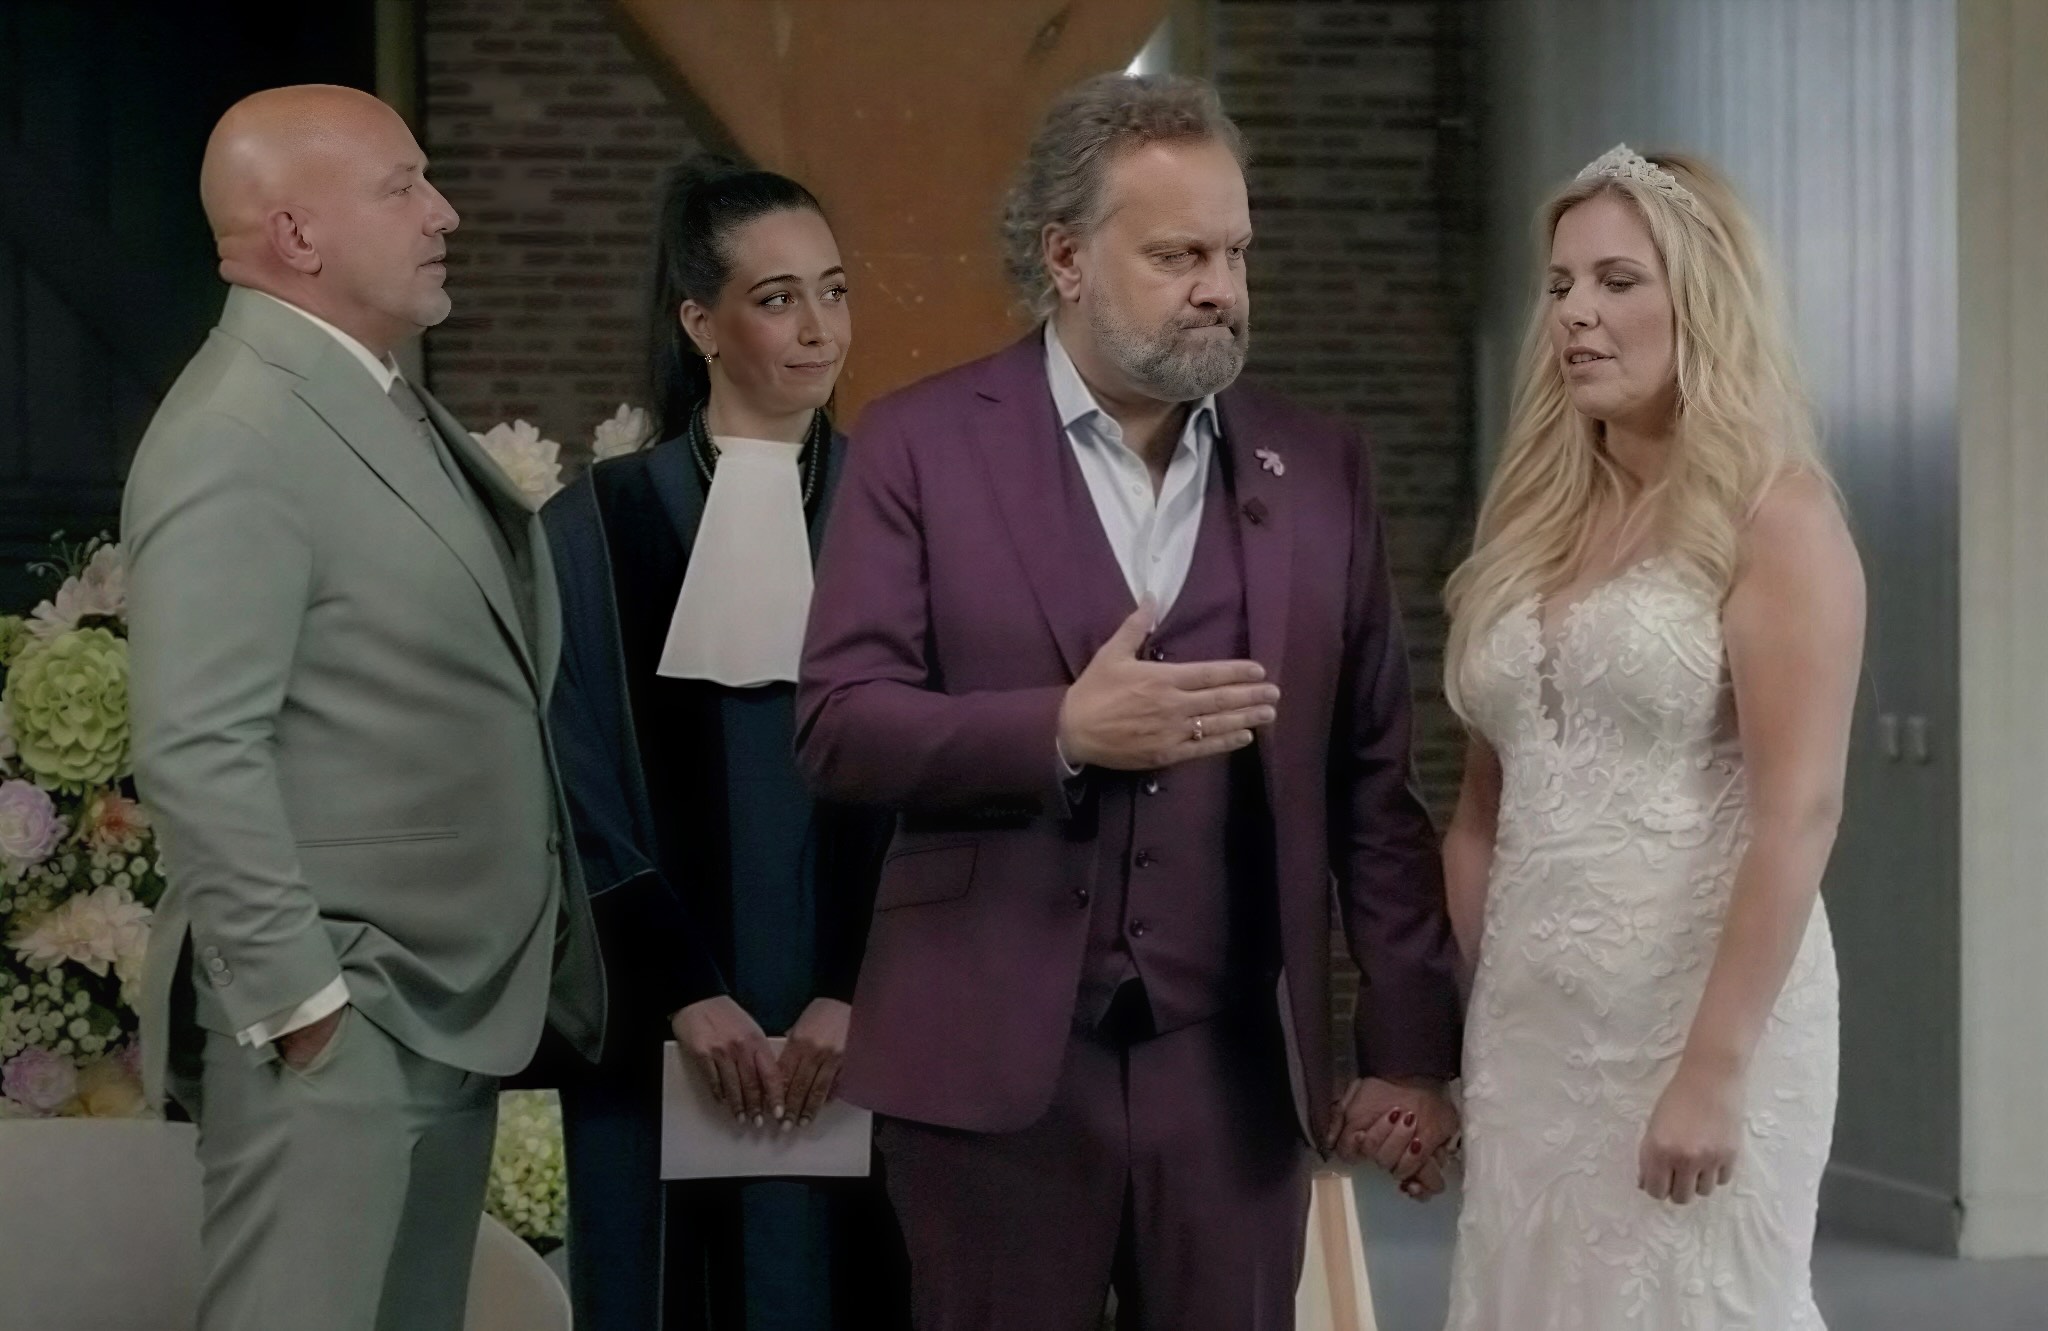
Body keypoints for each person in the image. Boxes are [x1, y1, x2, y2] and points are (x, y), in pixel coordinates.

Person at [795, 73, 1463, 1331]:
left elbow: (1374, 790)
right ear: (1064, 257)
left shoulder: (1320, 472)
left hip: (1232, 1073)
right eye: (1177, 255)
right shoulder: (917, 444)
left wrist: (1410, 1049)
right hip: (987, 1065)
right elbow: (838, 723)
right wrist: (1056, 730)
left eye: (1234, 252)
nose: (1220, 287)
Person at [123, 85, 604, 1331]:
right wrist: (304, 1006)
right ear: (296, 234)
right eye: (403, 186)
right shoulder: (239, 427)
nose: (444, 213)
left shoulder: (359, 394)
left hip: (431, 1000)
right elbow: (195, 743)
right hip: (340, 1011)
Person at [1439, 145, 1861, 1330]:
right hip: (1529, 1031)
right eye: (1559, 284)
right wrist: (1476, 1017)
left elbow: (1797, 811)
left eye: (1616, 280)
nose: (1574, 312)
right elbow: (1479, 813)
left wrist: (1713, 1065)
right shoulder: (1531, 524)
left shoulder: (1775, 515)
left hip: (1694, 1023)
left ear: (1700, 299)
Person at [542, 156, 910, 1331]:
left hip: (871, 1028)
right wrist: (684, 993)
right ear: (699, 322)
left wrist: (853, 988)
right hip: (662, 1035)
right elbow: (566, 779)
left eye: (834, 290)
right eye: (776, 297)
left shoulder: (913, 512)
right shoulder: (592, 527)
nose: (818, 329)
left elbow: (947, 773)